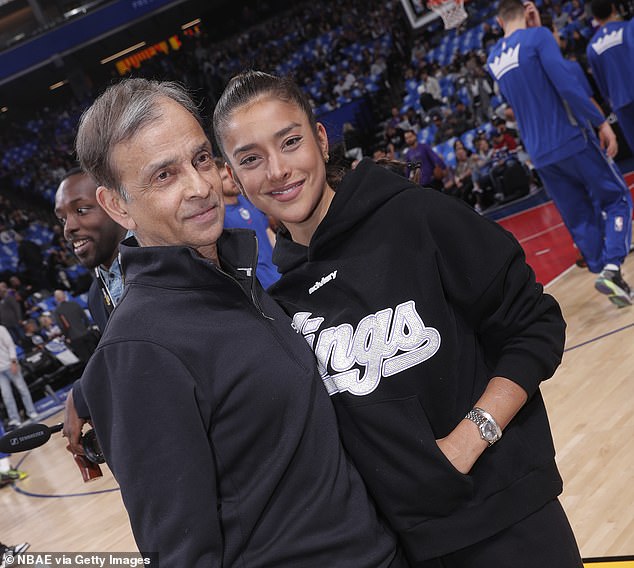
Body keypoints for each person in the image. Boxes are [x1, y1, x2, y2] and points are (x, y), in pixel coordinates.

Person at [213, 70, 580, 568]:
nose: (277, 170)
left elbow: (535, 324)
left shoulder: (416, 217)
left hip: (509, 520)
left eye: (290, 141)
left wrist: (471, 438)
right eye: (251, 159)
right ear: (231, 177)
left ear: (320, 139)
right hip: (401, 551)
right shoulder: (282, 298)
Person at [73, 77, 406, 568]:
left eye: (201, 158)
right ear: (117, 205)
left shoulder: (235, 280)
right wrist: (99, 380)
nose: (201, 186)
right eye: (164, 176)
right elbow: (181, 553)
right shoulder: (139, 351)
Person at [488, 0, 633, 308]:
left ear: (500, 22)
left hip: (540, 153)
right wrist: (600, 123)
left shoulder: (493, 59)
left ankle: (603, 268)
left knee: (579, 215)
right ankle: (612, 267)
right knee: (616, 196)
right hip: (570, 138)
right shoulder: (537, 37)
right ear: (525, 13)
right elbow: (565, 84)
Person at [54, 169, 127, 454]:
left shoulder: (166, 258)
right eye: (62, 219)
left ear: (116, 204)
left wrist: (84, 392)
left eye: (82, 210)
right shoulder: (97, 295)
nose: (68, 228)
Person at [215, 158, 280, 289]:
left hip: (279, 271)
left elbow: (267, 232)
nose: (231, 180)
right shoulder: (219, 217)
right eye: (224, 179)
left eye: (230, 176)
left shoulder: (247, 200)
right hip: (260, 284)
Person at [587, 0, 634, 153]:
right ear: (614, 9)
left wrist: (610, 101)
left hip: (620, 102)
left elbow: (601, 83)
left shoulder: (592, 47)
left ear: (595, 17)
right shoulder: (629, 28)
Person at [0, 324, 38, 428]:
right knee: (6, 395)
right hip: (0, 372)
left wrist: (13, 361)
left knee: (22, 389)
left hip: (10, 365)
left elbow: (11, 345)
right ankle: (15, 419)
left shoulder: (1, 329)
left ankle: (31, 412)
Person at [52, 290, 97, 362]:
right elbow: (85, 317)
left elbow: (63, 326)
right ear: (64, 295)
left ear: (56, 299)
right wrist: (86, 328)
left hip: (75, 338)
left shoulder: (57, 311)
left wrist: (67, 337)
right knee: (96, 354)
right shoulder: (74, 304)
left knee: (88, 360)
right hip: (85, 333)